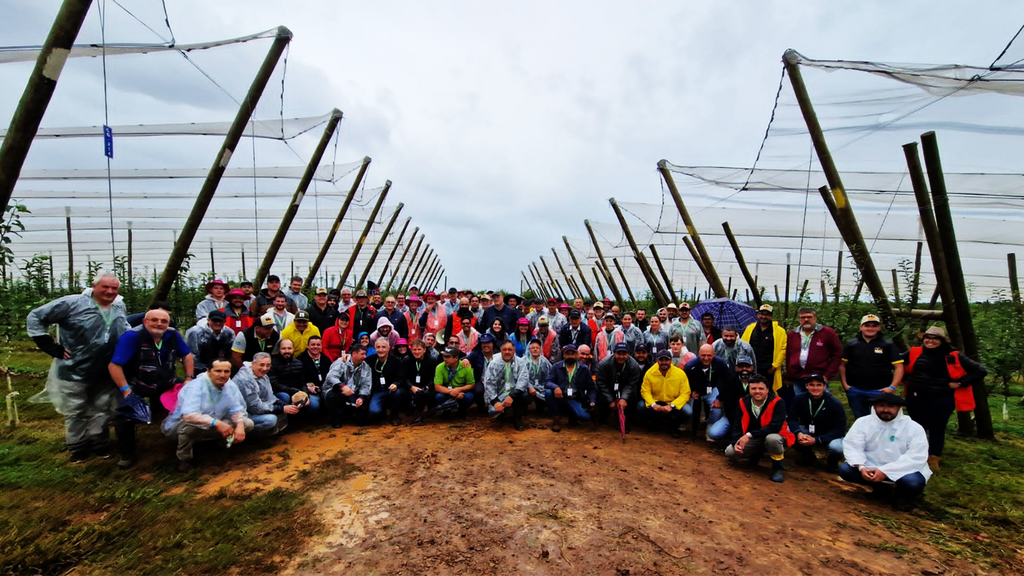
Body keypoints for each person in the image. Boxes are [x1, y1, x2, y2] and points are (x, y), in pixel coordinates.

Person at [27, 273, 129, 462]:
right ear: (94, 286)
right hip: (74, 369)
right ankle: (78, 446)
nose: (110, 292)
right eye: (105, 287)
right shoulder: (73, 304)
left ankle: (99, 443)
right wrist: (48, 344)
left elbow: (124, 327)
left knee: (102, 407)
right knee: (76, 410)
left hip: (105, 369)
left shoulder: (118, 305)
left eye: (114, 288)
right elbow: (36, 316)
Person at [108, 308, 194, 468]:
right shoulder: (132, 337)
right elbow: (114, 365)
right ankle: (126, 453)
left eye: (164, 321)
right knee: (124, 415)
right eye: (154, 320)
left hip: (166, 380)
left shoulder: (173, 334)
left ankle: (182, 441)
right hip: (136, 382)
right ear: (145, 321)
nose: (159, 324)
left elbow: (187, 355)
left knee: (190, 401)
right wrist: (126, 390)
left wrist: (189, 378)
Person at [903, 326, 987, 471]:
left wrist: (960, 383)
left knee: (937, 427)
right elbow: (895, 361)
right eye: (927, 338)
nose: (930, 341)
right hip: (916, 396)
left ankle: (934, 458)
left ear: (942, 341)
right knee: (917, 427)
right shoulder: (914, 352)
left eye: (935, 338)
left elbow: (980, 371)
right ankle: (916, 455)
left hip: (941, 398)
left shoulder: (953, 355)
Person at [840, 392, 931, 511]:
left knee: (912, 483)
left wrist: (885, 471)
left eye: (891, 406)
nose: (886, 410)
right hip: (870, 466)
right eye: (881, 405)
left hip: (902, 470)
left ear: (898, 408)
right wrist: (861, 467)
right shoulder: (863, 423)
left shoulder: (913, 428)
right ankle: (880, 489)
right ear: (874, 407)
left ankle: (903, 496)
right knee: (845, 470)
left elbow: (916, 456)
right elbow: (853, 446)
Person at [160, 359, 253, 472]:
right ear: (208, 371)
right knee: (191, 428)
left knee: (247, 423)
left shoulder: (230, 386)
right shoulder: (195, 387)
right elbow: (189, 415)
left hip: (215, 421)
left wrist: (239, 425)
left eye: (226, 371)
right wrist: (216, 423)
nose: (222, 375)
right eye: (218, 371)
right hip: (182, 424)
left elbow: (236, 408)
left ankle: (221, 444)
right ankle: (184, 459)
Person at [724, 375, 794, 483]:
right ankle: (755, 455)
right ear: (749, 389)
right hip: (755, 437)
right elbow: (737, 424)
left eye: (761, 389)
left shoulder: (778, 402)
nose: (757, 391)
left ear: (767, 389)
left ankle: (778, 468)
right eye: (753, 388)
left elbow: (775, 427)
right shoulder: (743, 402)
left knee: (772, 439)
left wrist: (748, 436)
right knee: (730, 452)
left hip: (776, 435)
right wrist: (735, 442)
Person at [839, 314, 905, 419]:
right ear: (861, 327)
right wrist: (845, 385)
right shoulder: (851, 344)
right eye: (867, 325)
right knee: (860, 419)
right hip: (855, 390)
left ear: (879, 328)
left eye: (874, 325)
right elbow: (842, 365)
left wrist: (892, 387)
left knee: (879, 419)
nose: (870, 328)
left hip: (880, 390)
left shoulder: (888, 344)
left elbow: (899, 367)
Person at [783, 307, 842, 407]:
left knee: (821, 405)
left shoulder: (827, 333)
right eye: (803, 317)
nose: (806, 320)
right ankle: (803, 422)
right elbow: (789, 355)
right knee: (801, 404)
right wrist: (789, 375)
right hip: (798, 376)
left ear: (815, 318)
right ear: (799, 319)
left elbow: (837, 355)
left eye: (809, 317)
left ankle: (822, 422)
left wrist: (828, 375)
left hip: (819, 377)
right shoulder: (793, 334)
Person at [788, 373, 846, 471]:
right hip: (807, 430)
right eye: (811, 385)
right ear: (806, 386)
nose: (815, 388)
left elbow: (840, 429)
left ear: (824, 386)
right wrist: (798, 433)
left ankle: (832, 461)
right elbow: (792, 418)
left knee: (838, 448)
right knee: (788, 432)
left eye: (819, 385)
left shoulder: (834, 403)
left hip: (829, 433)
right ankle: (808, 455)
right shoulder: (800, 398)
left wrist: (817, 440)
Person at [684, 344, 740, 443]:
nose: (706, 358)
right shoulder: (690, 366)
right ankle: (689, 426)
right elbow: (684, 382)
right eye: (703, 355)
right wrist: (691, 392)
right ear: (699, 354)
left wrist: (719, 398)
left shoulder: (720, 363)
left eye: (709, 355)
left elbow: (728, 381)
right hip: (695, 392)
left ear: (714, 354)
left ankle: (709, 426)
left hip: (712, 390)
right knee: (690, 410)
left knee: (717, 410)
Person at [234, 352, 298, 436]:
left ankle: (275, 432)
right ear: (253, 363)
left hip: (258, 405)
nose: (265, 368)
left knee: (283, 398)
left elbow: (270, 397)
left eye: (268, 365)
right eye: (262, 365)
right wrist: (281, 409)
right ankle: (247, 436)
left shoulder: (262, 374)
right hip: (242, 414)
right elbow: (255, 407)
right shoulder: (245, 380)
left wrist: (285, 405)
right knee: (271, 420)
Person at [637, 350, 691, 438]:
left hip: (673, 403)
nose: (664, 363)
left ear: (671, 361)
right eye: (661, 360)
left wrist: (672, 405)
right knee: (641, 406)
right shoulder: (649, 373)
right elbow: (645, 391)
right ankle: (655, 422)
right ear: (657, 361)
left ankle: (674, 426)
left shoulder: (680, 374)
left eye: (666, 360)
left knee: (688, 411)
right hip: (656, 402)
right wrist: (653, 404)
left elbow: (685, 393)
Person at [544, 344, 595, 432]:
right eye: (568, 354)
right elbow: (547, 382)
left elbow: (591, 388)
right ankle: (556, 420)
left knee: (585, 417)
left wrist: (592, 401)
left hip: (576, 398)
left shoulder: (584, 369)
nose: (570, 356)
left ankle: (572, 416)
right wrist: (556, 387)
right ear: (564, 355)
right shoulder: (557, 366)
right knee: (548, 393)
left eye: (573, 354)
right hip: (561, 397)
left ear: (577, 355)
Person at [482, 340, 531, 430]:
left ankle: (517, 418)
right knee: (493, 411)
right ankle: (503, 413)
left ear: (514, 351)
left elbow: (523, 380)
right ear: (501, 351)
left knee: (525, 395)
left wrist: (512, 396)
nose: (507, 352)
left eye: (510, 349)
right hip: (499, 395)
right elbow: (489, 384)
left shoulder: (520, 363)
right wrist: (495, 401)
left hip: (515, 394)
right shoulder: (494, 363)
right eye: (504, 350)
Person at [593, 342, 642, 430]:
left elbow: (631, 384)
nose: (621, 356)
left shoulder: (634, 366)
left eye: (624, 354)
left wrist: (623, 398)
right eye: (619, 354)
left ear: (628, 354)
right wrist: (610, 400)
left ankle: (625, 421)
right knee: (600, 396)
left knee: (631, 398)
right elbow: (601, 383)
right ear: (614, 353)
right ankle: (603, 416)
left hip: (624, 387)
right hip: (608, 387)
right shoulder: (604, 364)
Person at [323, 344, 372, 427]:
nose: (365, 356)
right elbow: (330, 377)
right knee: (334, 397)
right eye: (362, 354)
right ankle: (336, 419)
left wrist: (361, 397)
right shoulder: (340, 362)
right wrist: (342, 387)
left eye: (365, 354)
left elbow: (366, 384)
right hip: (335, 390)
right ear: (353, 354)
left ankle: (349, 414)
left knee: (361, 420)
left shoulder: (366, 367)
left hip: (353, 391)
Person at [742, 304, 786, 394]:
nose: (764, 317)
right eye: (762, 314)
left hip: (769, 369)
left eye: (767, 314)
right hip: (752, 368)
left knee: (769, 392)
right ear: (758, 315)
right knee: (751, 391)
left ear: (771, 316)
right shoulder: (750, 328)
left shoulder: (779, 331)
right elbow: (742, 346)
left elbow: (783, 349)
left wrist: (775, 366)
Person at [269, 339, 320, 416]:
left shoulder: (298, 363)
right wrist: (294, 391)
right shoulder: (272, 364)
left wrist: (305, 395)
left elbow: (302, 382)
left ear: (293, 349)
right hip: (281, 393)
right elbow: (274, 385)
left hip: (297, 392)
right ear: (279, 349)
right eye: (283, 348)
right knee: (284, 397)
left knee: (314, 405)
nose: (287, 351)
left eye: (289, 348)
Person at [185, 310, 234, 374]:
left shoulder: (229, 333)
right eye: (215, 321)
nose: (218, 323)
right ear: (208, 320)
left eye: (220, 321)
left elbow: (230, 352)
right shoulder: (195, 332)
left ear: (224, 322)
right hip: (199, 367)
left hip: (220, 366)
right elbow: (193, 355)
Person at [369, 338, 405, 424]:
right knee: (374, 413)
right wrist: (347, 357)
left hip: (391, 390)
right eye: (378, 347)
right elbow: (356, 360)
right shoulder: (370, 360)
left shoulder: (396, 361)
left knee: (398, 393)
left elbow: (402, 378)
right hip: (377, 392)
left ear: (389, 348)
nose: (381, 350)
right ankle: (382, 412)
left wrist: (396, 384)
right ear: (375, 348)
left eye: (383, 347)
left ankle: (394, 415)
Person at [433, 347, 476, 415]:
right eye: (444, 356)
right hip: (446, 391)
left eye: (448, 357)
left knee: (469, 397)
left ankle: (462, 409)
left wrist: (459, 390)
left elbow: (471, 384)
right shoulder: (439, 367)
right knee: (439, 397)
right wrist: (453, 392)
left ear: (456, 358)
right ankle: (446, 409)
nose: (445, 359)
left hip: (462, 392)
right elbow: (437, 387)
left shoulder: (466, 366)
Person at [404, 339, 440, 414]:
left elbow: (435, 376)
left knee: (434, 392)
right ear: (411, 350)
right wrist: (411, 387)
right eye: (414, 349)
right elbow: (404, 377)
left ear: (424, 350)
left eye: (419, 349)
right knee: (402, 392)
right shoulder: (406, 360)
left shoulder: (432, 360)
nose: (417, 352)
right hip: (412, 386)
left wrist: (427, 387)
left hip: (427, 386)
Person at [524, 339, 552, 415]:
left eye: (537, 348)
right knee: (524, 394)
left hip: (542, 386)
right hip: (527, 387)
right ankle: (523, 410)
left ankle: (541, 407)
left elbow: (550, 375)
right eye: (533, 348)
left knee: (548, 392)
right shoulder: (523, 361)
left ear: (540, 349)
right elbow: (521, 378)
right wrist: (529, 387)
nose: (535, 349)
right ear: (529, 349)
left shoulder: (545, 361)